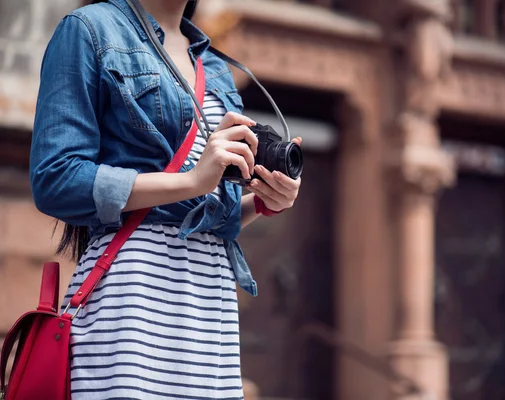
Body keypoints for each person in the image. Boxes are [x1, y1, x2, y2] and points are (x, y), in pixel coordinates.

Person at [29, 0, 302, 398]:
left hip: (211, 306)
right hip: (133, 303)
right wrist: (193, 180)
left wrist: (264, 201)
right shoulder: (89, 29)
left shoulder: (217, 68)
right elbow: (56, 178)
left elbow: (202, 213)